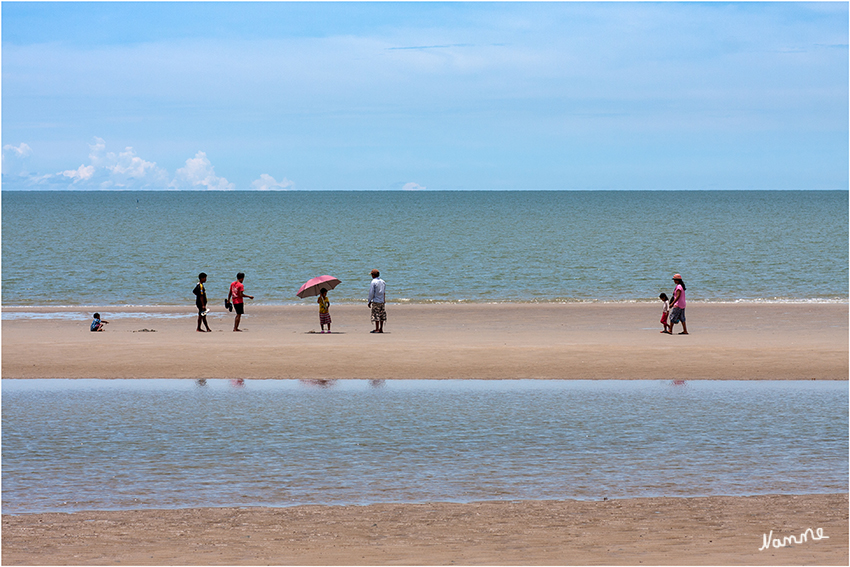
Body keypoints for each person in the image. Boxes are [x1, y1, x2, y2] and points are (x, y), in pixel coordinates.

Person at [367, 269, 386, 333]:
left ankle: (377, 328)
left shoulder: (373, 282)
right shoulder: (383, 281)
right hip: (382, 301)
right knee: (382, 315)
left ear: (373, 275)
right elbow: (384, 292)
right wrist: (384, 300)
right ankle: (381, 328)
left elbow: (371, 292)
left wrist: (369, 301)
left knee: (376, 315)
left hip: (376, 300)